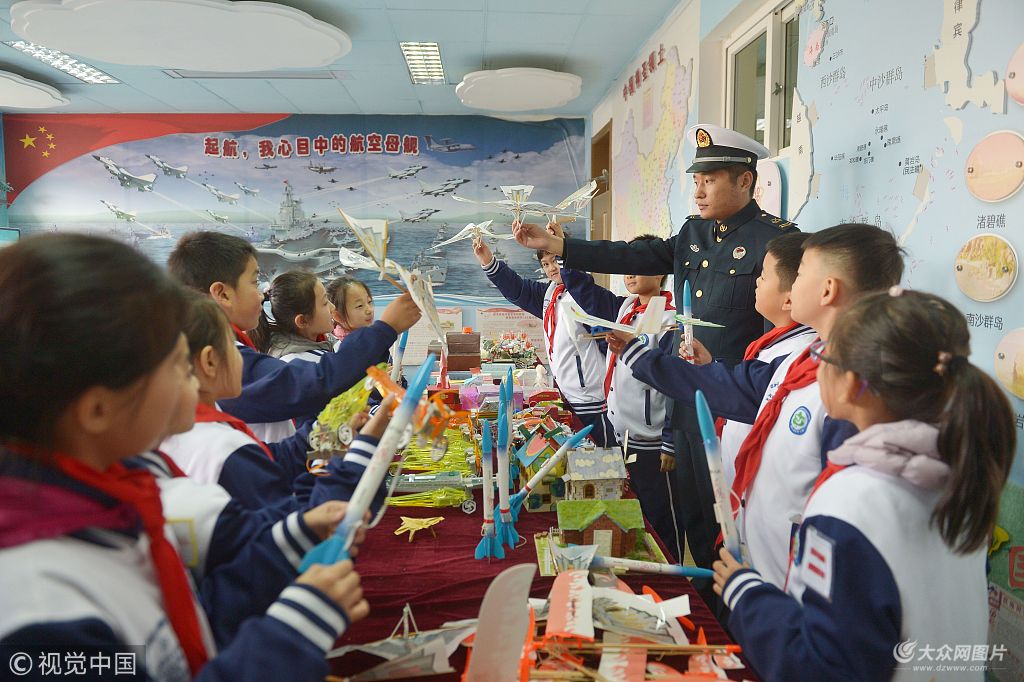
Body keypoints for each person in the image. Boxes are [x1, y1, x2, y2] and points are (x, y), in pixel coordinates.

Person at [0, 233, 369, 680]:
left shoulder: (120, 501)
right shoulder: (38, 611)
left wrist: (292, 537)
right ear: (98, 409)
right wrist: (292, 631)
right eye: (175, 364)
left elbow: (196, 612)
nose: (191, 380)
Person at [512, 124, 796, 574]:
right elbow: (632, 256)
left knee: (733, 530)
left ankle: (734, 622)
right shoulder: (693, 234)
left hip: (731, 412)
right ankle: (705, 606)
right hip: (685, 405)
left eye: (710, 180)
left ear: (745, 180)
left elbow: (775, 339)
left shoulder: (775, 242)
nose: (699, 192)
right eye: (696, 182)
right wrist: (562, 247)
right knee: (694, 523)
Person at [713, 289, 1015, 681]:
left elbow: (822, 667)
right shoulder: (960, 475)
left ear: (853, 384)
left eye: (823, 356)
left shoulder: (852, 500)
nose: (816, 366)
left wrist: (746, 594)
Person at [608, 223, 902, 588]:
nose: (758, 283)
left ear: (827, 290)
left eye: (802, 274)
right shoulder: (808, 361)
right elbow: (740, 390)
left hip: (793, 584)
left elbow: (840, 517)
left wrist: (641, 356)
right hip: (761, 562)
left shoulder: (850, 391)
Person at [167, 231, 420, 436]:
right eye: (254, 282)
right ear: (222, 294)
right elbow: (315, 382)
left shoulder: (233, 351)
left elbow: (278, 454)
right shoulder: (221, 360)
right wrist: (385, 328)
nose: (260, 293)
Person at [161, 294, 385, 511]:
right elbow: (295, 521)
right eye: (237, 347)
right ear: (209, 361)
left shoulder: (204, 432)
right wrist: (362, 451)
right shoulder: (220, 448)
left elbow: (277, 459)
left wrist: (333, 430)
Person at [559, 234, 683, 561]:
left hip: (650, 440)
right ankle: (636, 562)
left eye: (638, 267)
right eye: (626, 267)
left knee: (661, 517)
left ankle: (671, 574)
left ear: (660, 274)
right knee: (629, 507)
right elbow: (583, 290)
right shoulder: (626, 307)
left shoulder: (665, 316)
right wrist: (563, 248)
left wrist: (670, 440)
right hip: (620, 431)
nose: (629, 273)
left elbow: (674, 382)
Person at [473, 231, 616, 446]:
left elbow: (607, 344)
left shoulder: (586, 296)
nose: (552, 268)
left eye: (557, 260)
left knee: (601, 456)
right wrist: (488, 261)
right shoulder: (551, 294)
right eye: (546, 263)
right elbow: (519, 289)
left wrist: (611, 386)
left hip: (592, 399)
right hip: (566, 394)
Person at [705, 231, 815, 486]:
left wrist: (639, 358)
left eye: (764, 276)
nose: (756, 282)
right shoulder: (771, 344)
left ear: (789, 298)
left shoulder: (795, 353)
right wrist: (709, 366)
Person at [327, 276, 375, 348]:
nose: (369, 310)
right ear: (338, 316)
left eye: (369, 301)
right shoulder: (345, 347)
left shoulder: (364, 333)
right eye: (359, 306)